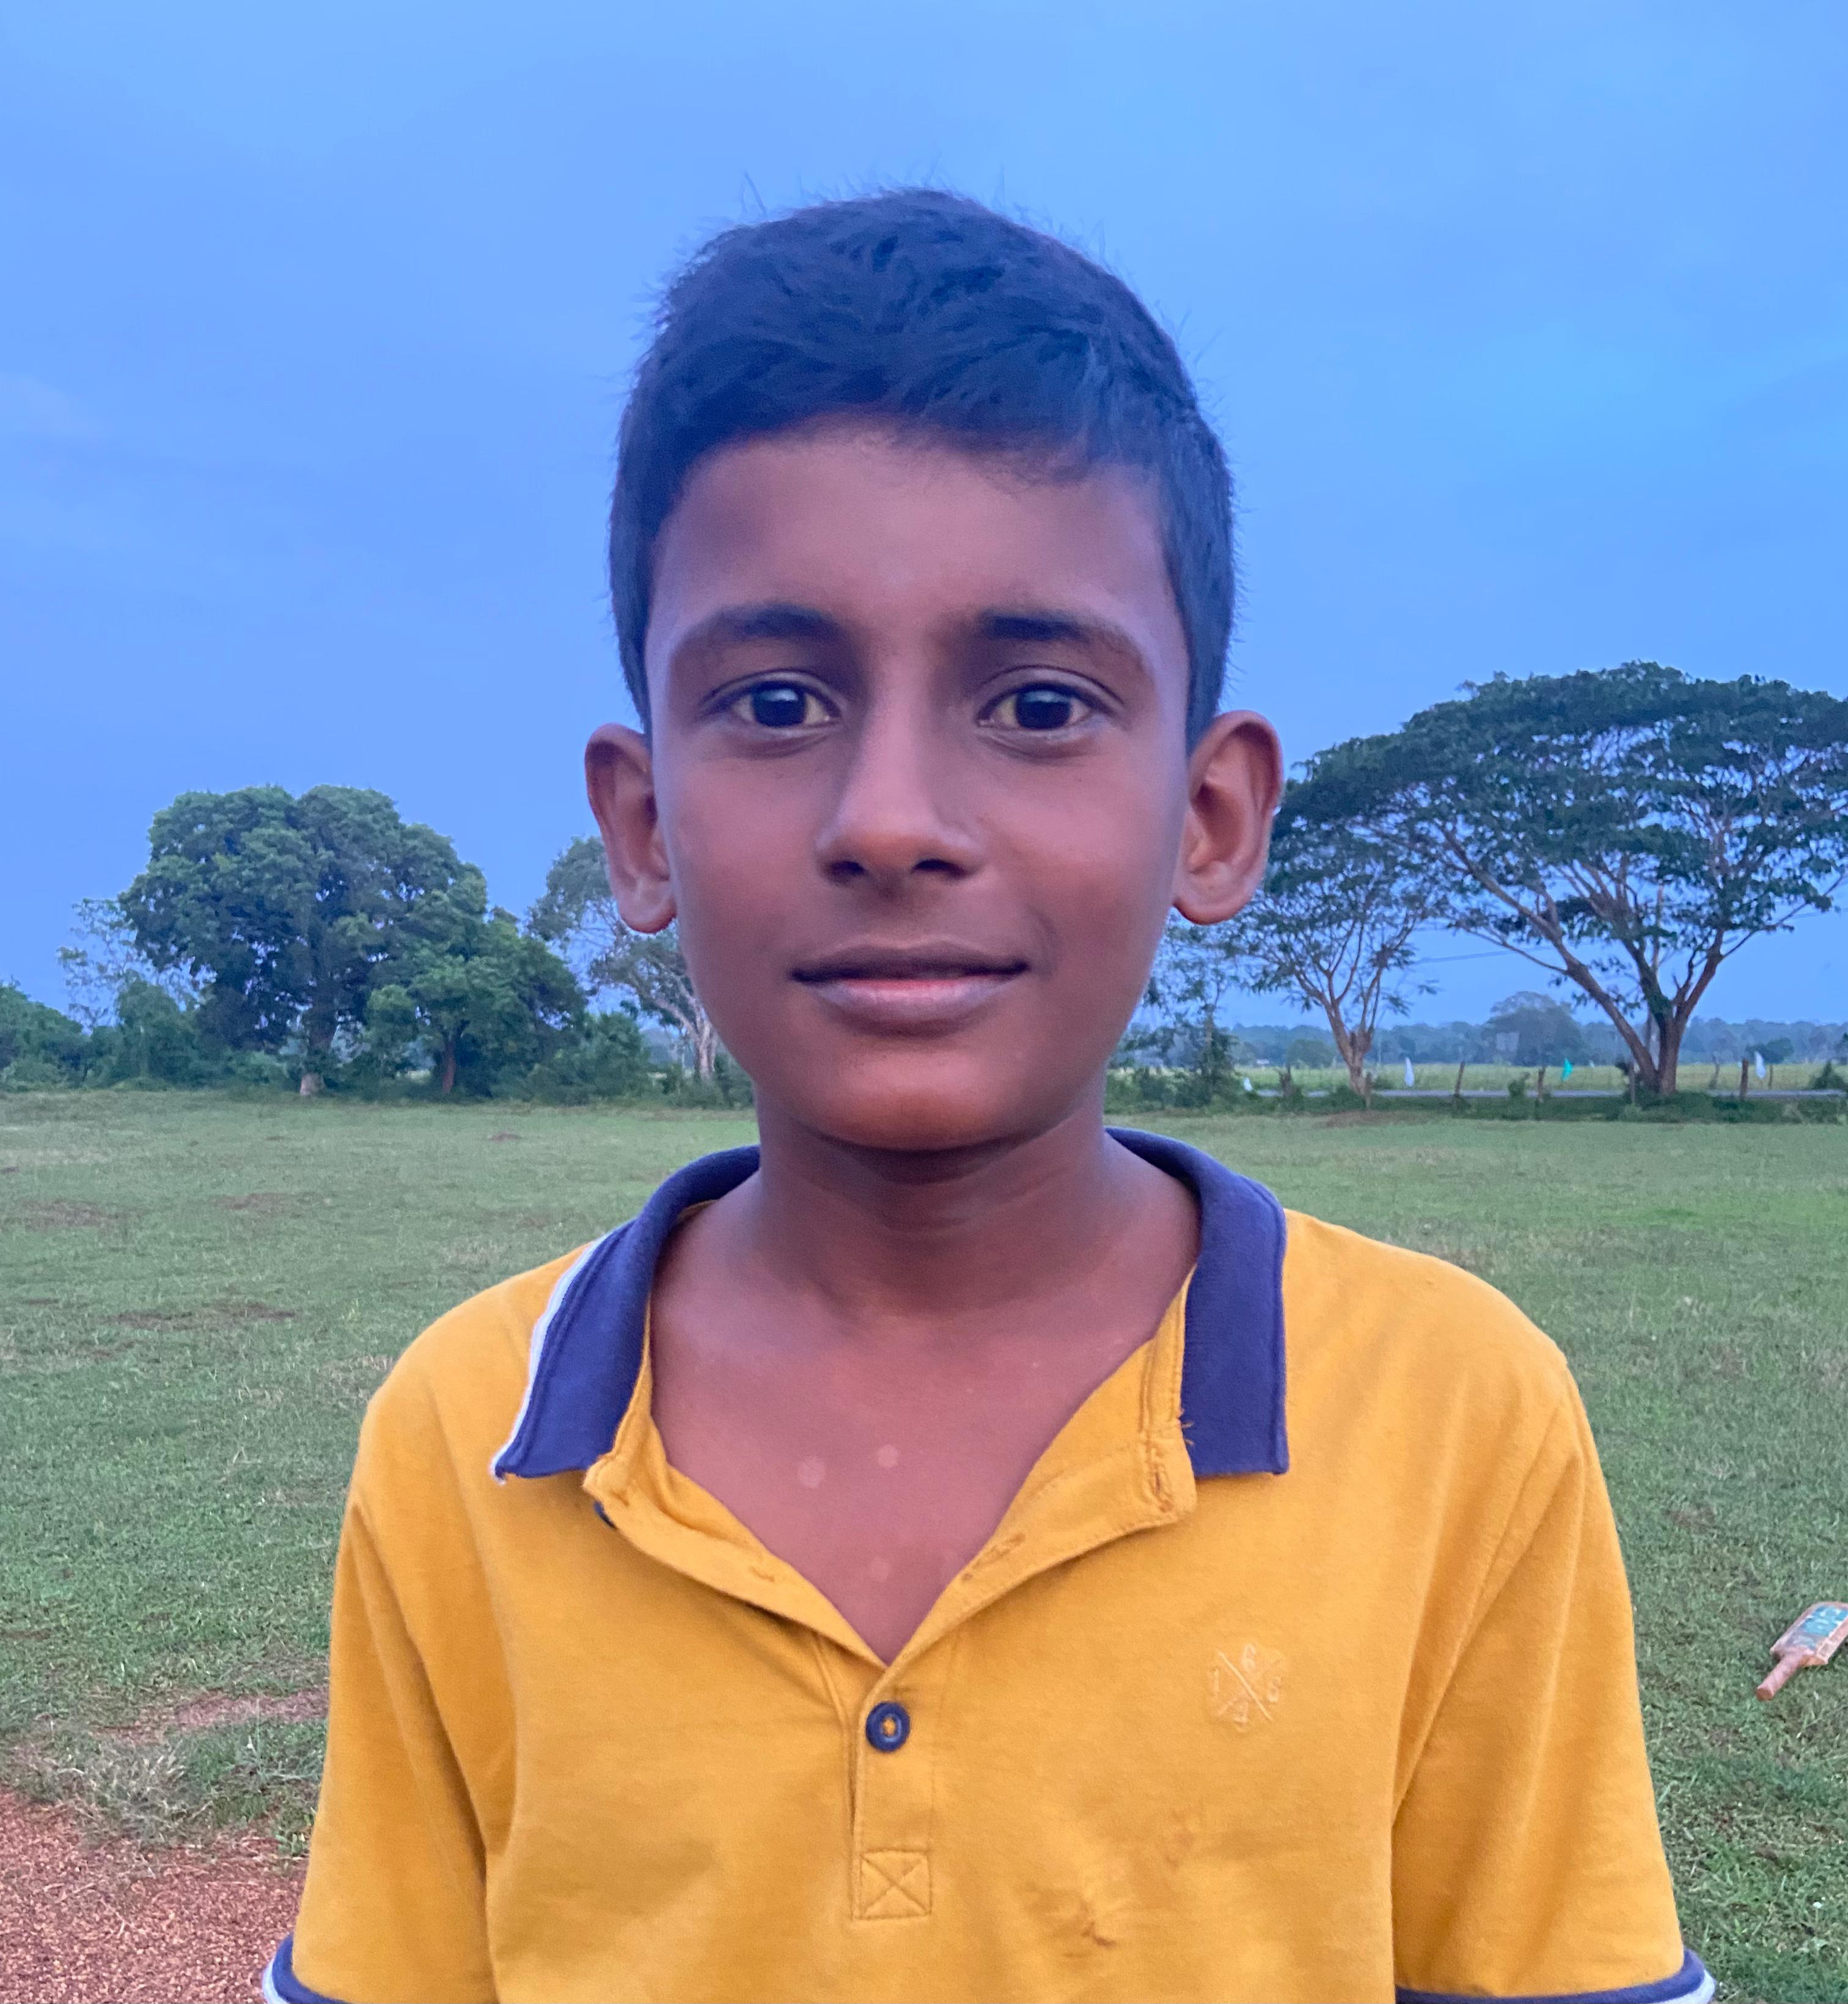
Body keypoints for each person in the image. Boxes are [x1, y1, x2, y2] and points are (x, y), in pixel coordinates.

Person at [264, 191, 1709, 2004]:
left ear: (1211, 817)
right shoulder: (471, 1434)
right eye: (776, 702)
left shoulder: (1453, 1417)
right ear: (642, 826)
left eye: (1036, 706)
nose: (890, 821)